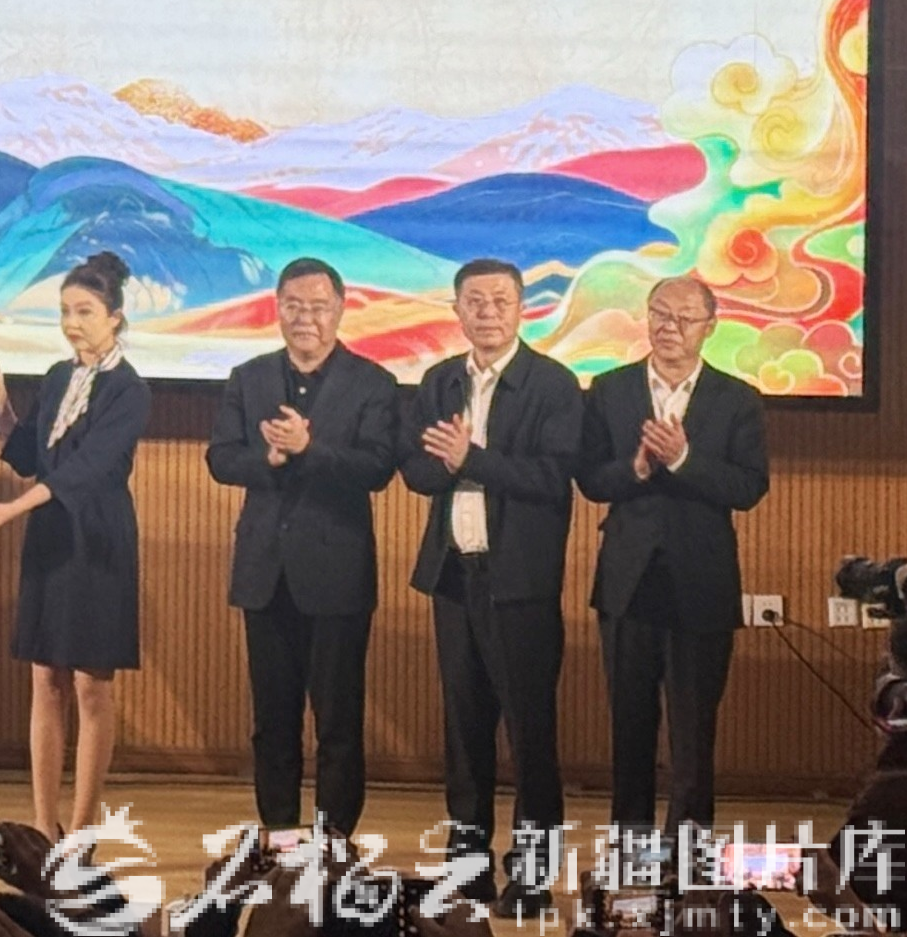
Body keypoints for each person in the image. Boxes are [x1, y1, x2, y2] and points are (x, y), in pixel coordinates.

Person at [398, 257, 583, 911]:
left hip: (521, 585)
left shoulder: (552, 383)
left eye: (500, 300)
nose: (487, 312)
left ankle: (531, 877)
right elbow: (415, 469)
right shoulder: (440, 380)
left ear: (522, 307)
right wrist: (447, 462)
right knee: (464, 732)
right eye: (474, 301)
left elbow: (553, 477)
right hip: (455, 577)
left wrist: (470, 458)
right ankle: (467, 869)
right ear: (456, 309)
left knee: (530, 736)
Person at [205, 256, 398, 836]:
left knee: (338, 721)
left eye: (317, 307)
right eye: (293, 306)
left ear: (340, 310)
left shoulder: (373, 382)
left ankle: (334, 841)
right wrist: (267, 457)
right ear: (277, 309)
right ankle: (281, 837)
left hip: (337, 572)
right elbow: (220, 458)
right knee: (273, 719)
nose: (304, 318)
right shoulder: (249, 377)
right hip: (265, 572)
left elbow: (377, 467)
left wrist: (310, 449)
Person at [577, 273, 769, 839]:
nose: (670, 328)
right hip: (627, 581)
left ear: (710, 327)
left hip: (701, 583)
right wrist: (635, 469)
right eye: (660, 314)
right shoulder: (610, 389)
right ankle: (631, 849)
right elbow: (590, 478)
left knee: (693, 733)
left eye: (685, 319)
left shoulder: (737, 399)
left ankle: (686, 853)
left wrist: (684, 460)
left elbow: (749, 487)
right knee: (629, 727)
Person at [0, 251, 151, 838]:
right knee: (45, 679)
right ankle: (43, 829)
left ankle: (83, 829)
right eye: (66, 311)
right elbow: (29, 456)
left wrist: (10, 510)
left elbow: (87, 470)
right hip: (49, 535)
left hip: (96, 539)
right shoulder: (56, 377)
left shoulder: (129, 389)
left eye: (85, 311)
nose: (73, 323)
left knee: (91, 686)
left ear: (115, 317)